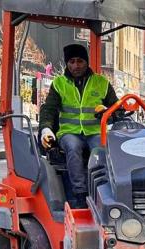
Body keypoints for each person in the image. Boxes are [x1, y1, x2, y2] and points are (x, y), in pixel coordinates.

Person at [39, 44, 120, 208]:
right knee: (73, 147)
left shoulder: (101, 82)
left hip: (95, 132)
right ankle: (80, 194)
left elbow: (116, 108)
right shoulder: (59, 83)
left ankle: (105, 191)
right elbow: (49, 109)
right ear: (67, 63)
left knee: (102, 150)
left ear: (86, 62)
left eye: (80, 61)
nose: (76, 65)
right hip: (69, 133)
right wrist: (46, 129)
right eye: (72, 61)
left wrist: (108, 112)